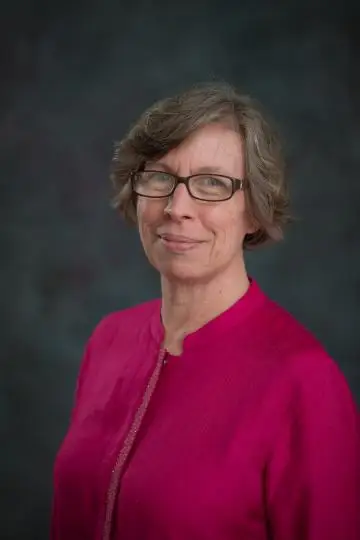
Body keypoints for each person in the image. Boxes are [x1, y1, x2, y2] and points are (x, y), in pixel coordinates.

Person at [51, 82, 360, 540]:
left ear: (253, 210)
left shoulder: (305, 384)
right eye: (159, 176)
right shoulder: (109, 339)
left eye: (212, 183)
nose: (177, 208)